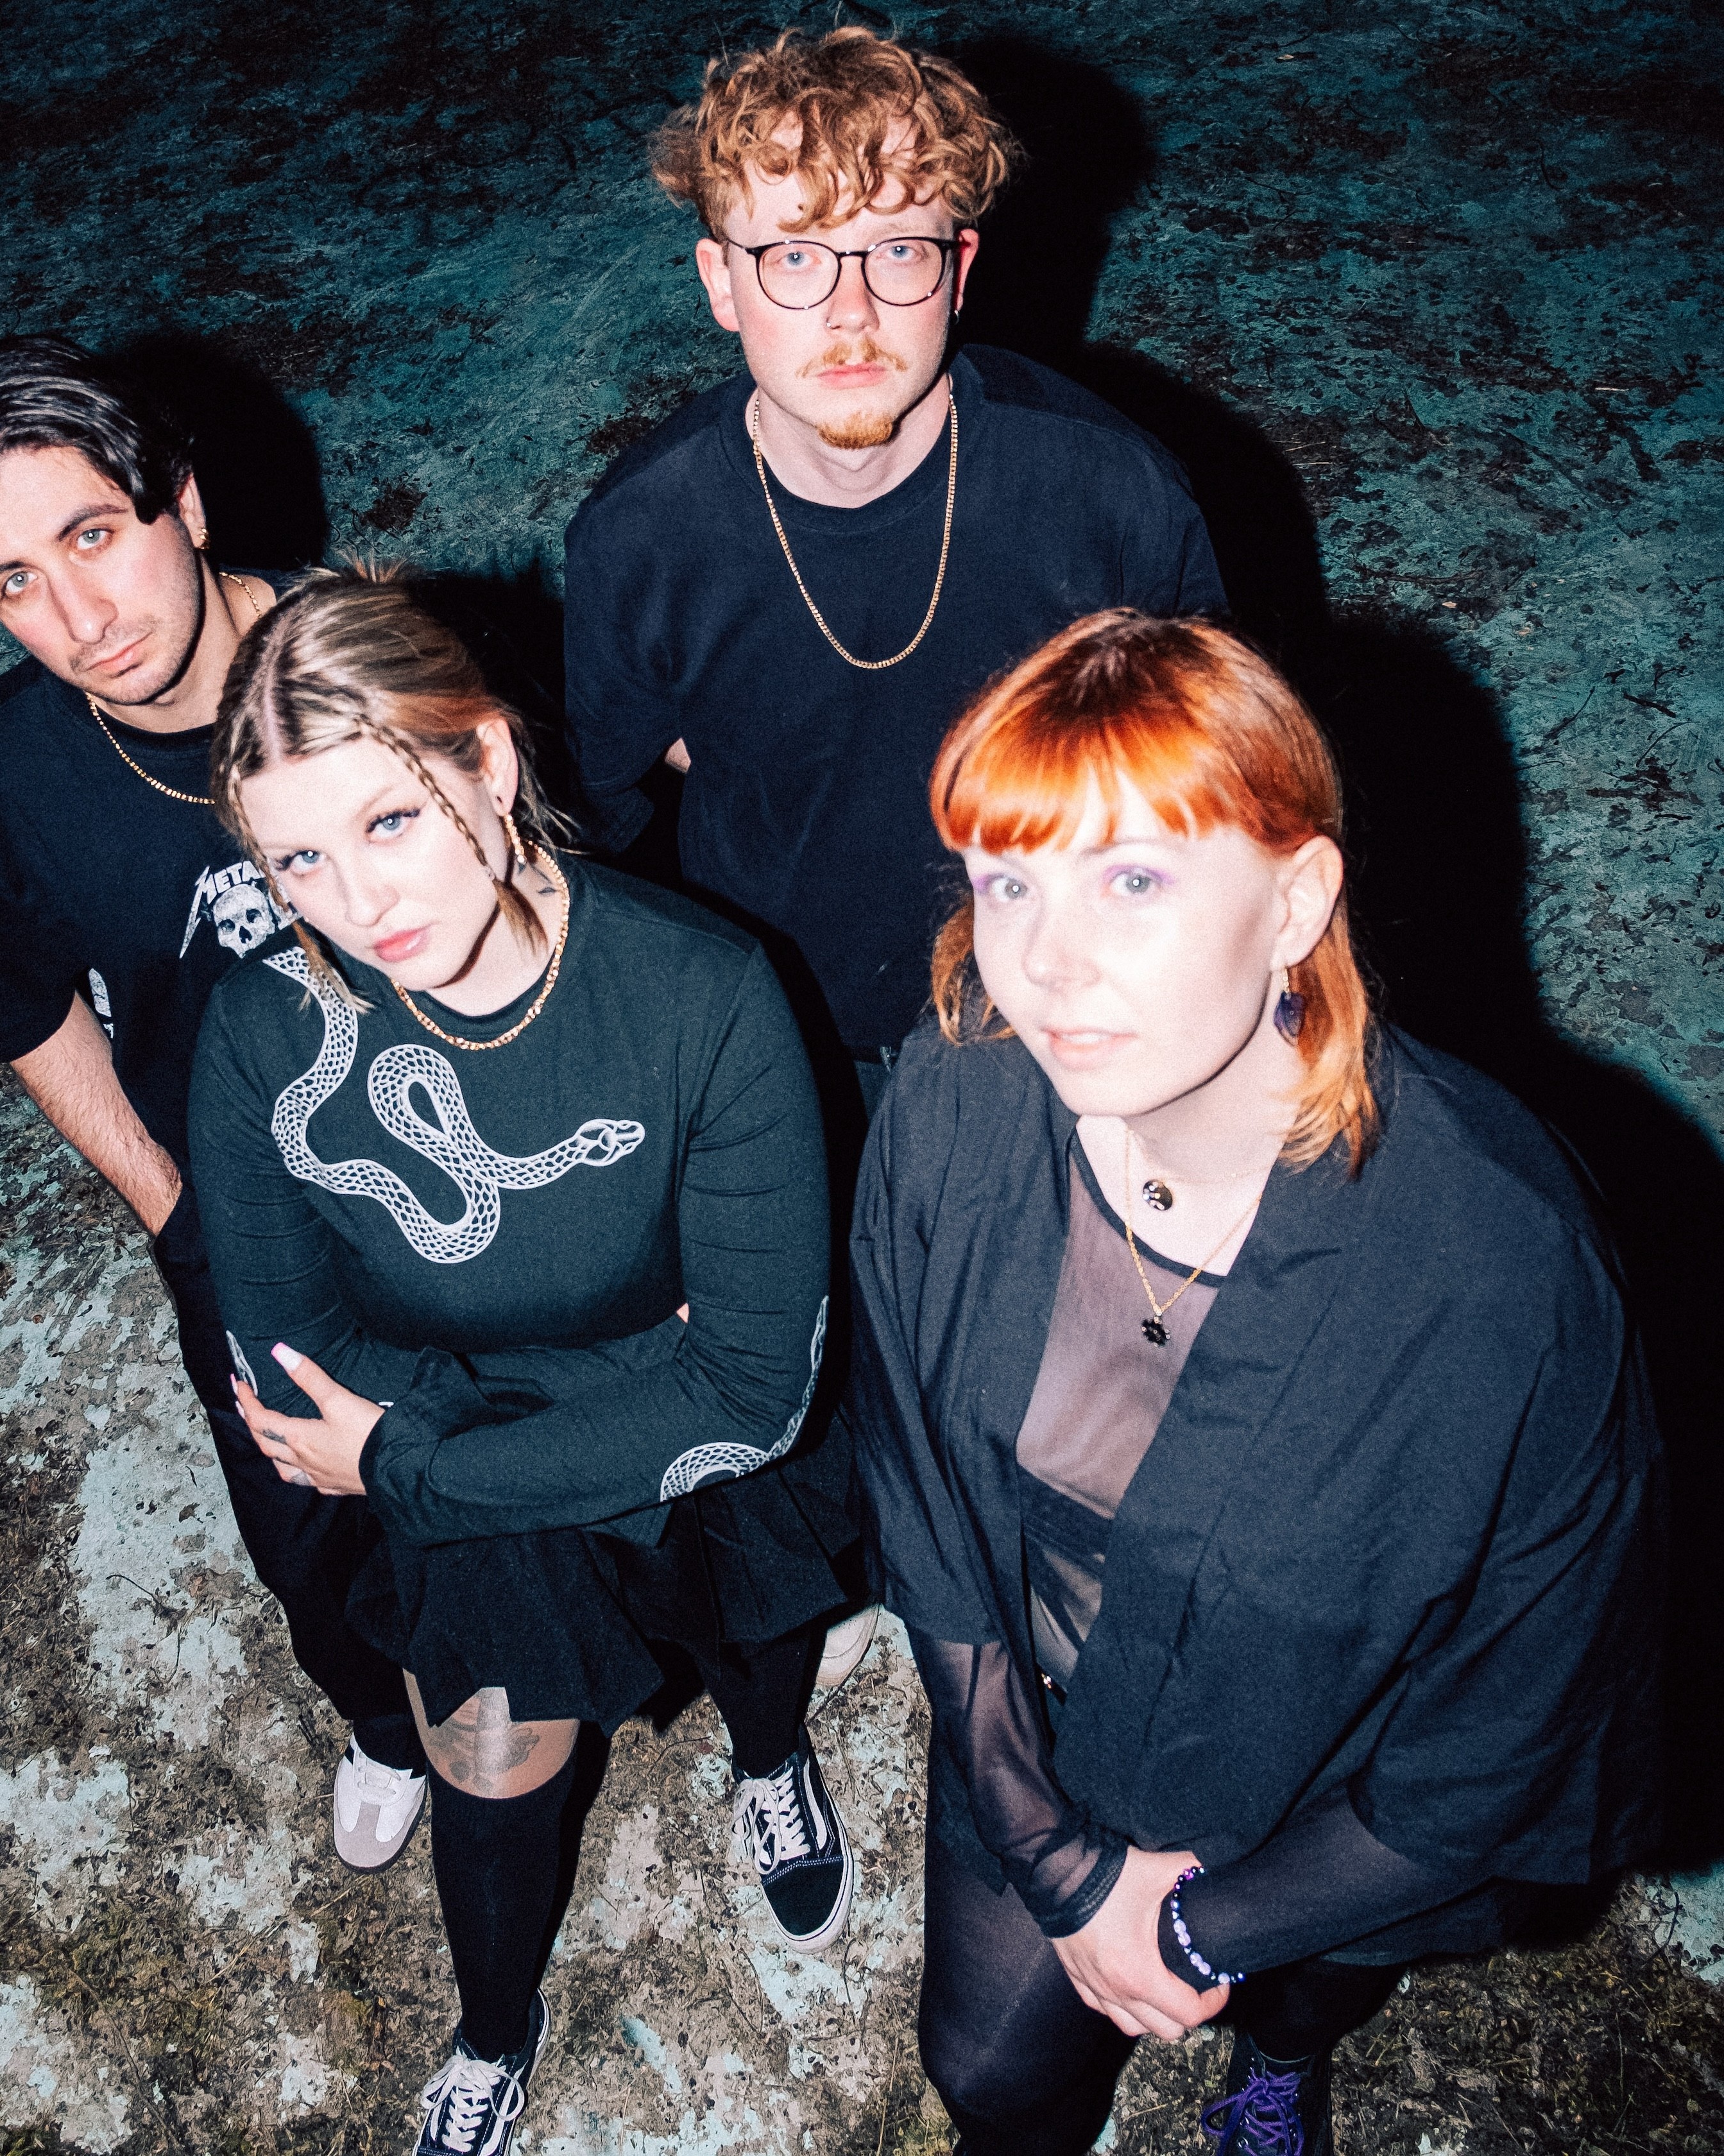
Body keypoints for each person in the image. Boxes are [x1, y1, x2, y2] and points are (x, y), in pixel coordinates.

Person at [849, 611, 1661, 2155]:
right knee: (990, 2073)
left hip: (1321, 1792)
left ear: (1296, 901)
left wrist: (1197, 1933)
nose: (1046, 962)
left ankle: (1283, 2060)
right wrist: (1055, 1857)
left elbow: (1510, 1717)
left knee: (1307, 1991)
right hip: (1043, 1724)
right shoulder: (956, 1098)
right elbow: (924, 1496)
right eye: (1008, 882)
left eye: (1133, 881)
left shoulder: (1502, 1270)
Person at [188, 568, 858, 2156]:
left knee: (753, 1617)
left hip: (497, 1436)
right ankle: (497, 2024)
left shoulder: (703, 993)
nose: (358, 903)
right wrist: (592, 1395)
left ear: (487, 763)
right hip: (494, 1433)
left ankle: (771, 1760)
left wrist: (413, 1453)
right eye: (296, 859)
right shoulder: (266, 1032)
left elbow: (752, 1394)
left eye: (388, 821)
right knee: (490, 1752)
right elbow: (290, 1360)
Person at [0, 336, 432, 1872]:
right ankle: (384, 1722)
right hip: (248, 1216)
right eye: (12, 582)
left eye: (92, 535)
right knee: (309, 1531)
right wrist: (169, 1201)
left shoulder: (379, 665)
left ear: (183, 503)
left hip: (476, 1153)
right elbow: (13, 1008)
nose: (78, 620)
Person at [565, 26, 1227, 1120]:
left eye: (899, 251)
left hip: (1053, 1018)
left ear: (958, 270)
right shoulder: (640, 536)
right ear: (721, 282)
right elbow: (607, 798)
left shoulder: (1110, 492)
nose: (852, 312)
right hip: (785, 1037)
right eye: (794, 256)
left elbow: (1207, 788)